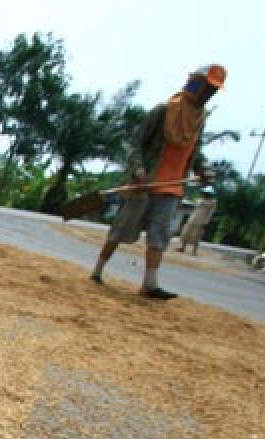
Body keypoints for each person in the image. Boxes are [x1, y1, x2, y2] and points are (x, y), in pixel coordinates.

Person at [90, 65, 226, 298]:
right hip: (145, 183)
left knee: (159, 235)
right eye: (206, 89)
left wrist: (201, 169)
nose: (208, 95)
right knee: (121, 228)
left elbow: (194, 150)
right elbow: (136, 143)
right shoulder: (164, 111)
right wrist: (138, 171)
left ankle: (150, 284)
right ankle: (97, 270)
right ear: (195, 85)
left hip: (172, 187)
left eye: (213, 92)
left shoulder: (199, 120)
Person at [178, 187, 217, 255]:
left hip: (202, 219)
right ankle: (182, 247)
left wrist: (206, 222)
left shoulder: (213, 202)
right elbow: (194, 206)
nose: (204, 194)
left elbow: (210, 213)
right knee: (187, 231)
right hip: (193, 217)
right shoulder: (199, 199)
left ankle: (194, 251)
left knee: (197, 235)